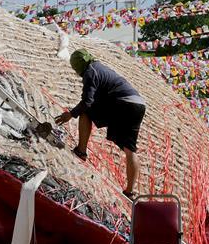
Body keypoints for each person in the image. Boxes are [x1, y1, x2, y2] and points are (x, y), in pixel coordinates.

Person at [55, 49, 146, 198]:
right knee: (130, 150)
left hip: (123, 104)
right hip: (139, 105)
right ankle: (130, 191)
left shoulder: (90, 72)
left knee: (85, 111)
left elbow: (87, 101)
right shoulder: (100, 67)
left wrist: (70, 114)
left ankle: (81, 151)